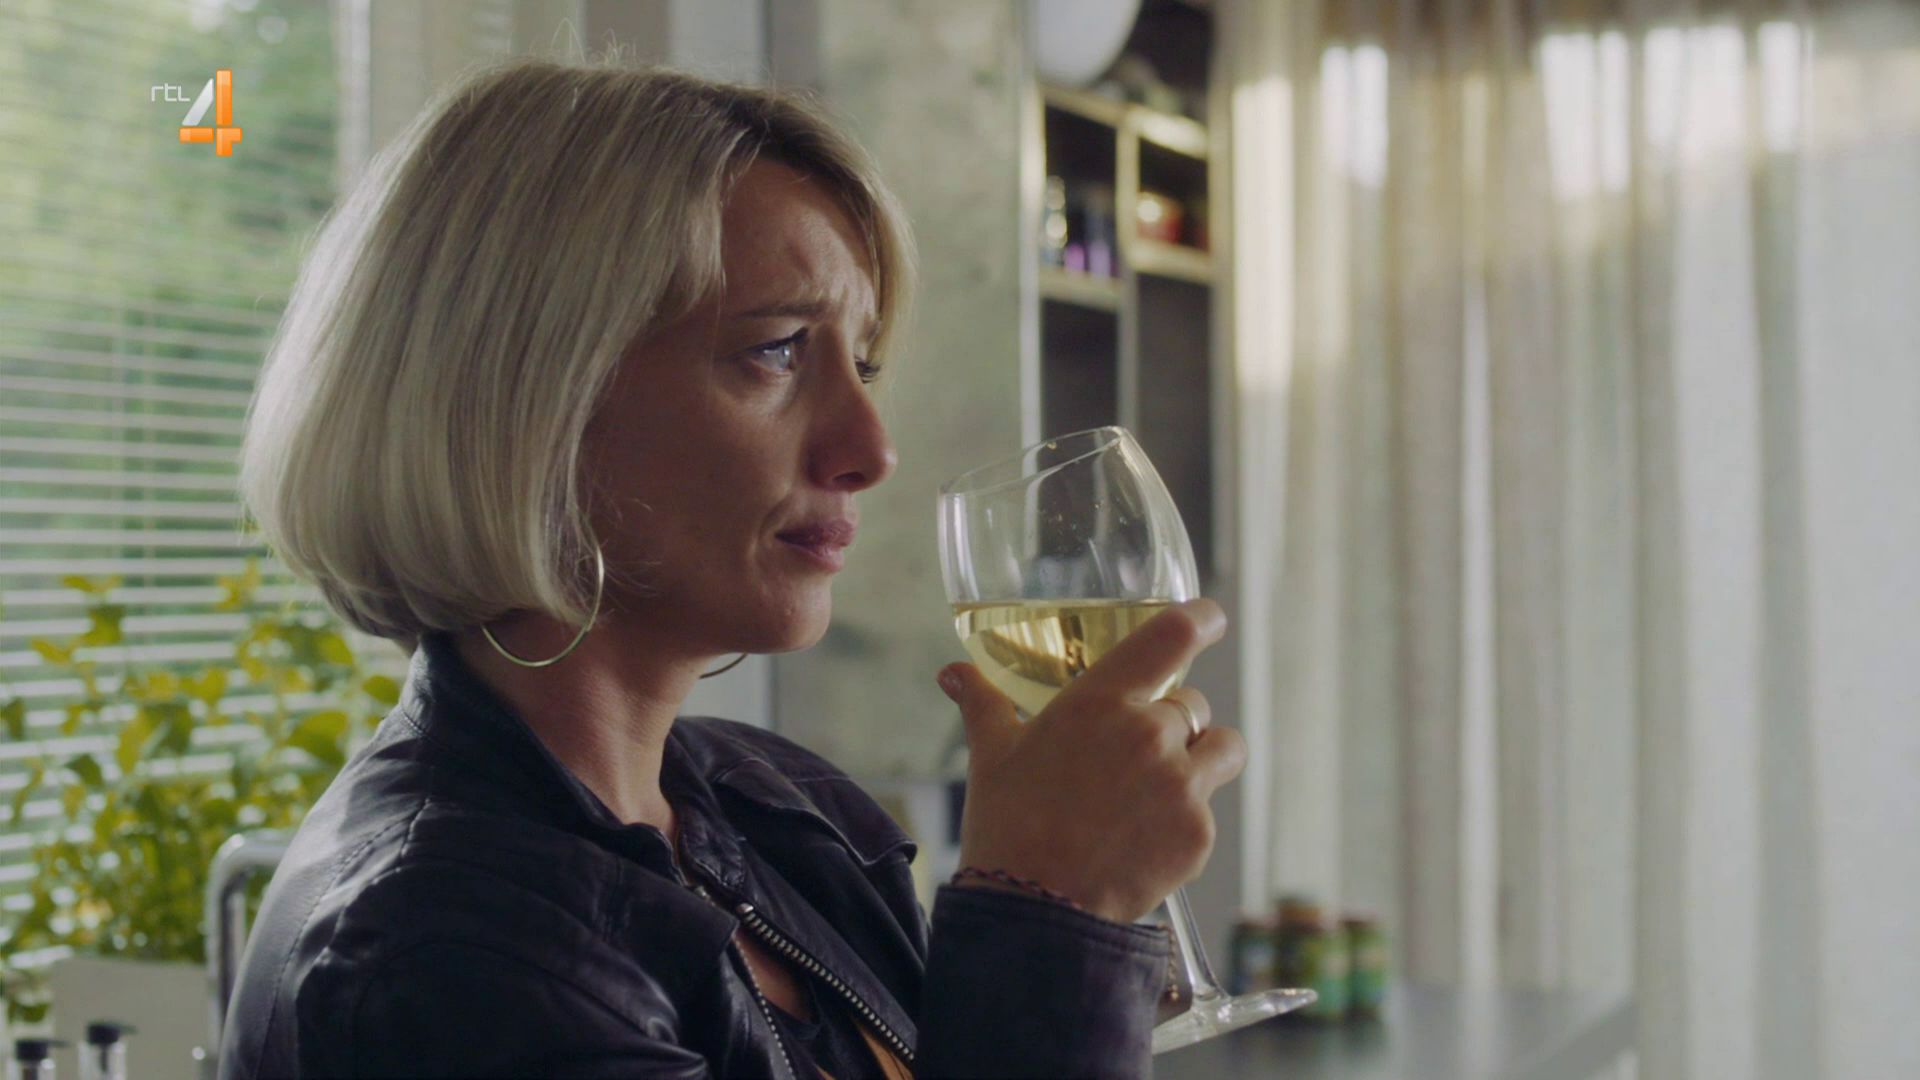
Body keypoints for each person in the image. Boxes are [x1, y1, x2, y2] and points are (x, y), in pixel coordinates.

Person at [222, 56, 1245, 1079]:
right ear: (529, 394)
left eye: (863, 362)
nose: (872, 449)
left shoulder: (785, 812)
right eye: (778, 350)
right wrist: (1052, 911)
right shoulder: (443, 951)